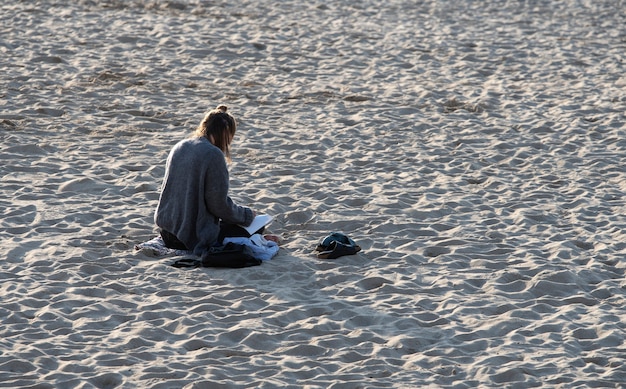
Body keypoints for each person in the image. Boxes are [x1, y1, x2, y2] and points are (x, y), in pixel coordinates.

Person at [154, 105, 261, 255]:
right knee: (256, 227)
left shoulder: (179, 146)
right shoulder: (213, 154)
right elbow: (218, 205)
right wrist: (246, 215)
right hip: (190, 237)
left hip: (167, 232)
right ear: (225, 132)